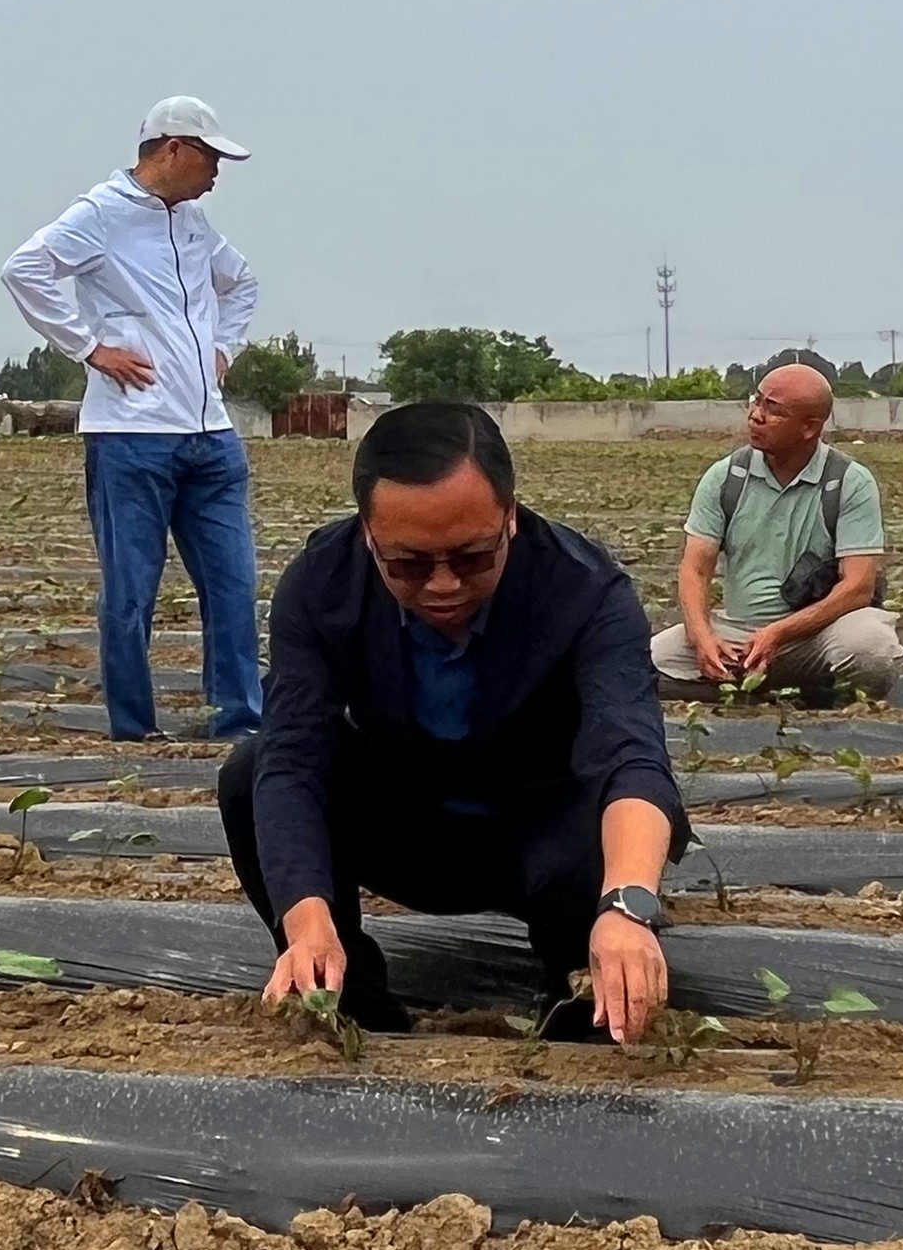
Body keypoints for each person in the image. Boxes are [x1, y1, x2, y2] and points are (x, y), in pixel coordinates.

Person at [223, 399, 687, 1043]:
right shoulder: (321, 584)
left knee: (602, 840)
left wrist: (628, 906)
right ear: (368, 534)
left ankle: (583, 986)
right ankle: (346, 992)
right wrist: (305, 918)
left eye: (471, 558)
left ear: (511, 518)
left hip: (545, 834)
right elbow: (294, 758)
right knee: (250, 773)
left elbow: (629, 752)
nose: (443, 585)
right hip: (411, 827)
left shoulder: (584, 591)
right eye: (408, 565)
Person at [1, 96, 263, 741]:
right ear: (171, 149)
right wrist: (90, 347)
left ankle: (239, 723)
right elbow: (25, 270)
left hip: (210, 435)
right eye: (209, 158)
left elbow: (243, 284)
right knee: (131, 593)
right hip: (133, 435)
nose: (216, 173)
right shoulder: (101, 213)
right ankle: (135, 729)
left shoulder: (195, 224)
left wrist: (223, 348)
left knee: (234, 587)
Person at [652, 363, 901, 703]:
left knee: (871, 647)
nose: (756, 416)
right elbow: (695, 568)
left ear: (809, 428)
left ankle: (806, 687)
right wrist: (701, 637)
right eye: (757, 402)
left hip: (816, 634)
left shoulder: (849, 482)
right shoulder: (726, 477)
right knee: (640, 665)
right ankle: (756, 687)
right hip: (738, 634)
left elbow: (858, 587)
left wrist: (779, 633)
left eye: (774, 410)